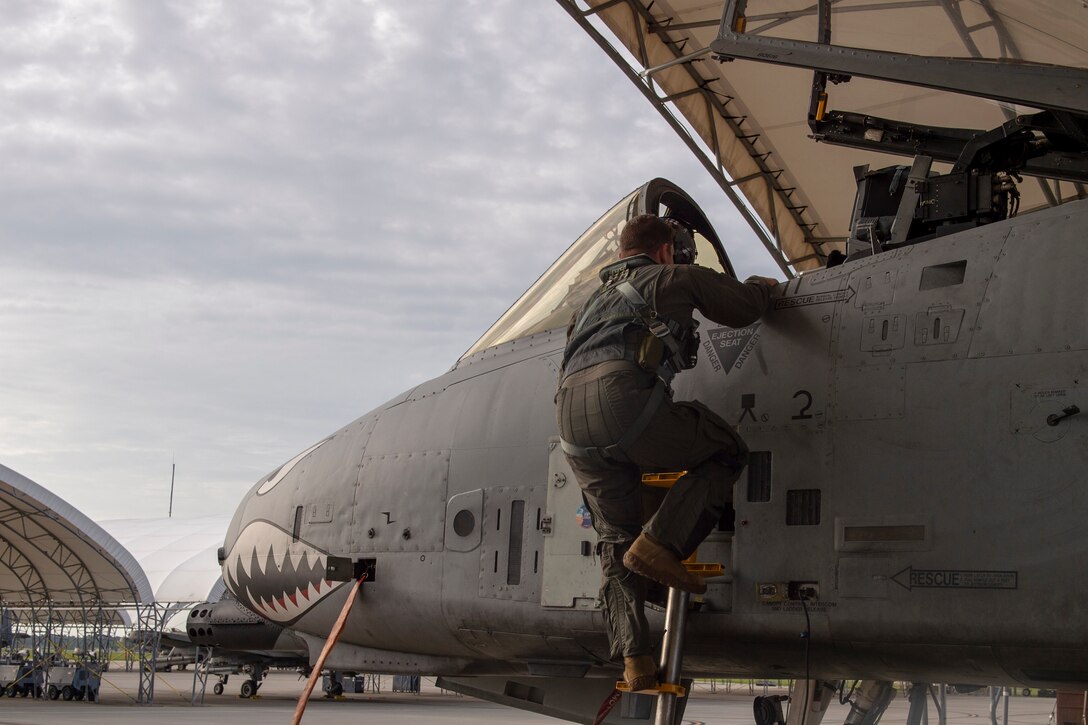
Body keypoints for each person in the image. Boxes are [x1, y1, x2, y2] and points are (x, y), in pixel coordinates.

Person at [555, 214, 777, 692]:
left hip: (569, 422)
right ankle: (660, 545)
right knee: (725, 451)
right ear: (664, 250)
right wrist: (764, 285)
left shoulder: (589, 303)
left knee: (615, 538)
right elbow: (743, 307)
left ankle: (634, 661)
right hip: (624, 404)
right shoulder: (672, 276)